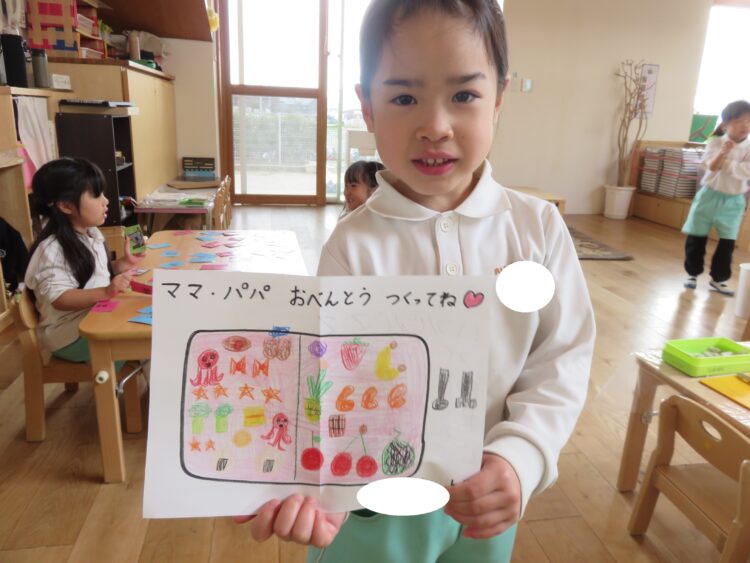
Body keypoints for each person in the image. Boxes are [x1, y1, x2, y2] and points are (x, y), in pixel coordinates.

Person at [236, 2, 595, 561]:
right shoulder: (353, 246)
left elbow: (562, 355)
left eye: (464, 95)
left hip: (488, 494)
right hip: (372, 505)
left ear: (499, 99)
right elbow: (327, 378)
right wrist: (318, 488)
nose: (435, 126)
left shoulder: (537, 229)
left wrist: (522, 456)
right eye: (404, 98)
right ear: (368, 107)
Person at [24, 157, 145, 363]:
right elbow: (60, 298)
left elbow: (93, 273)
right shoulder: (52, 250)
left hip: (93, 318)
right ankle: (123, 378)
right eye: (97, 195)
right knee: (146, 338)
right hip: (70, 336)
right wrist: (106, 292)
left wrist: (121, 264)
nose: (106, 201)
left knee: (145, 326)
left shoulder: (90, 233)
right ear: (66, 206)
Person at [682, 100, 750, 296]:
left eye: (748, 121)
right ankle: (692, 274)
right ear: (725, 124)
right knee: (696, 237)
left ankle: (719, 279)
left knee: (727, 242)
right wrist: (723, 153)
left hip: (734, 200)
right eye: (738, 121)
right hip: (709, 196)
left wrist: (725, 163)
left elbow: (746, 171)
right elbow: (711, 166)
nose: (745, 125)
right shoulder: (715, 142)